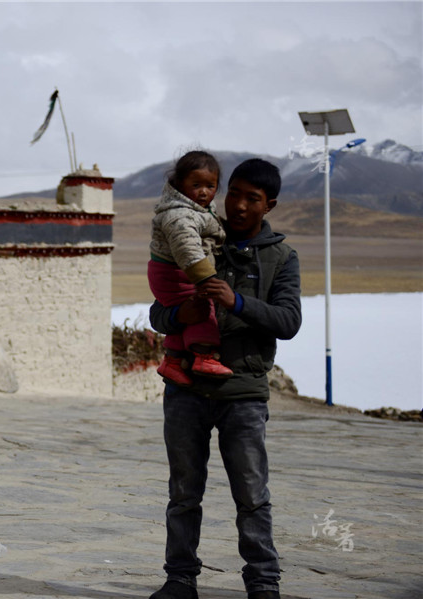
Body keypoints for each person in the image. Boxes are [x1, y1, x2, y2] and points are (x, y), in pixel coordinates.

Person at [148, 159, 301, 599]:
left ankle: (263, 583)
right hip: (186, 389)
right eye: (233, 192)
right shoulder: (195, 233)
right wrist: (181, 314)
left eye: (251, 198)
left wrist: (236, 302)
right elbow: (160, 310)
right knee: (183, 493)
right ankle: (180, 580)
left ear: (268, 205)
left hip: (243, 393)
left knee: (252, 494)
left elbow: (288, 320)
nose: (237, 204)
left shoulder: (281, 258)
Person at [148, 150, 231, 387]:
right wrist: (207, 281)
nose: (204, 191)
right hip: (175, 273)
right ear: (180, 185)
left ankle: (173, 362)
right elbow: (188, 250)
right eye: (196, 185)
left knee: (184, 311)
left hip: (174, 272)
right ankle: (204, 357)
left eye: (210, 185)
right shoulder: (180, 215)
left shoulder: (198, 208)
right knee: (203, 308)